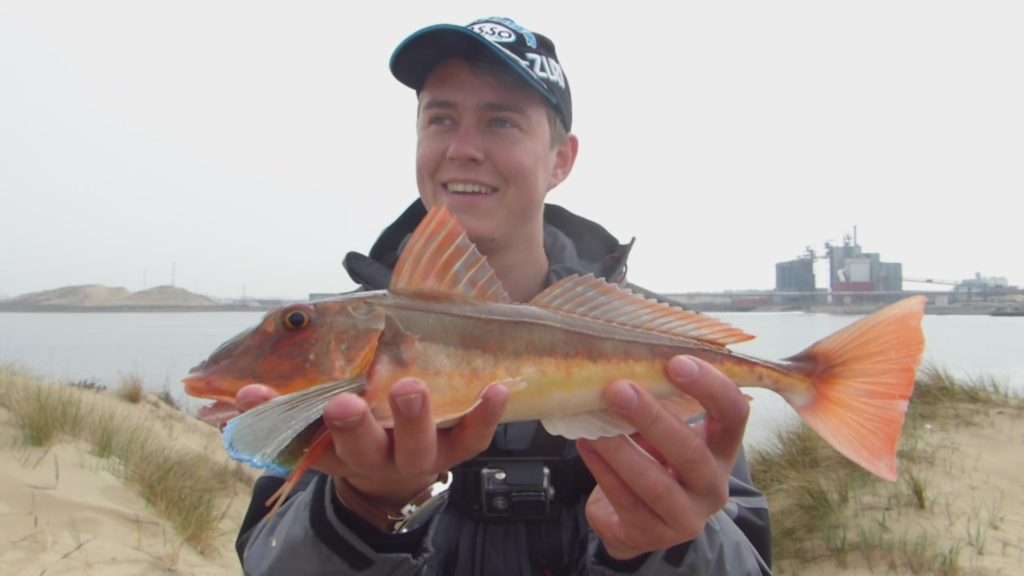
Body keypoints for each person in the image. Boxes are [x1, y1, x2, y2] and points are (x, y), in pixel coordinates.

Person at [234, 16, 772, 575]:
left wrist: (670, 545)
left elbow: (750, 562)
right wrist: (361, 507)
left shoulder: (646, 340)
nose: (463, 148)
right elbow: (266, 561)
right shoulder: (343, 340)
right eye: (441, 118)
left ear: (561, 160)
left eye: (501, 122)